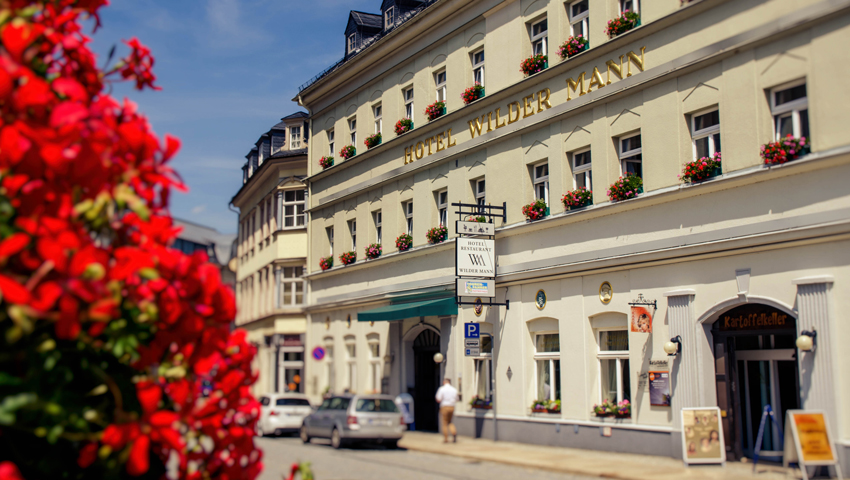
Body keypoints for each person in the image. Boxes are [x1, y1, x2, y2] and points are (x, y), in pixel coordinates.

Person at [435, 378, 459, 443]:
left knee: (444, 423)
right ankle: (454, 432)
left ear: (444, 382)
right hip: (452, 406)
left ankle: (446, 439)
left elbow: (438, 398)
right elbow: (457, 399)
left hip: (444, 406)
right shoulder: (454, 389)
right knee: (450, 421)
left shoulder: (442, 389)